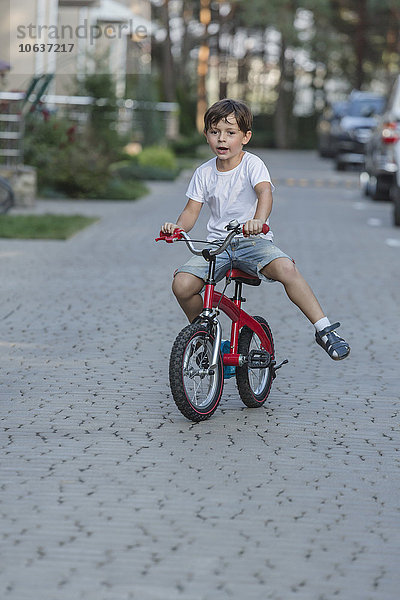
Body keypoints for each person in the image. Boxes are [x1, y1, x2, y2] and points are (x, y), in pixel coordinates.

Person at [161, 98, 350, 360]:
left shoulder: (252, 164)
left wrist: (258, 221)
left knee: (287, 268)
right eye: (215, 132)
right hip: (219, 245)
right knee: (181, 285)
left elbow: (265, 194)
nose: (222, 139)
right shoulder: (203, 172)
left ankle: (324, 329)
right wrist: (178, 228)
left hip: (253, 242)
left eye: (230, 133)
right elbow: (191, 211)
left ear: (245, 137)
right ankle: (207, 337)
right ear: (206, 136)